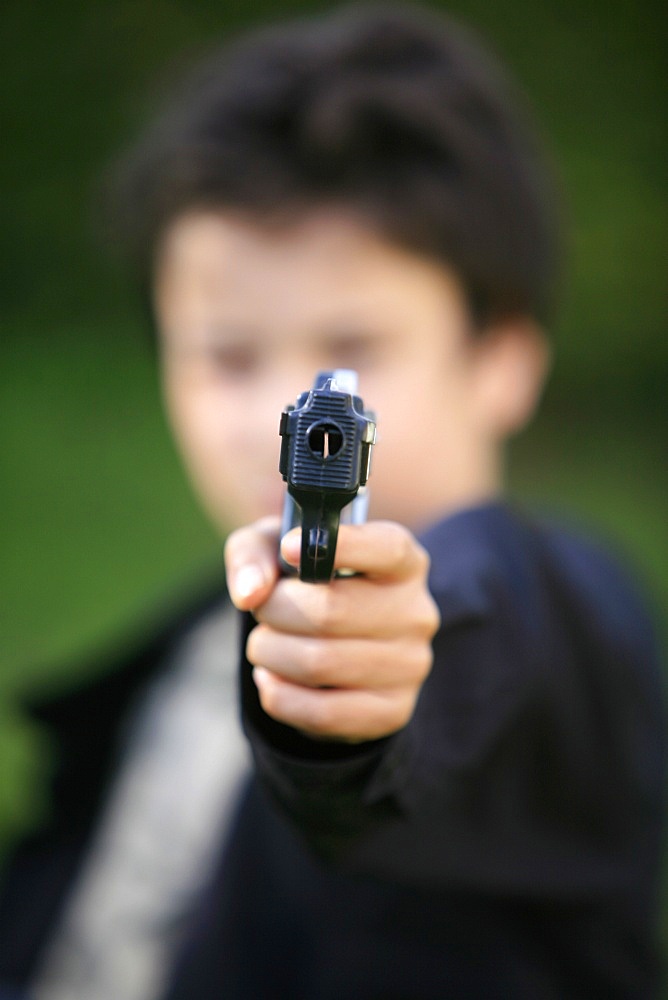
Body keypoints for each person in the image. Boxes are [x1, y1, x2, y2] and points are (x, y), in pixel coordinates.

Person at [0, 3, 665, 998]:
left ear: (502, 357)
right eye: (227, 353)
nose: (292, 403)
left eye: (351, 351)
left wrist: (367, 702)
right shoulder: (192, 643)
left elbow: (484, 628)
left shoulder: (553, 615)